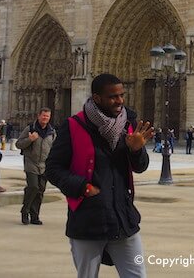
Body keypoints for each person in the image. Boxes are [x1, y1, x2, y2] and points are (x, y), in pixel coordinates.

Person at [46, 73, 153, 278]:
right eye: (113, 96)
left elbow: (140, 167)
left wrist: (136, 150)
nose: (120, 101)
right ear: (97, 98)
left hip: (123, 219)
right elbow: (52, 168)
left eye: (121, 95)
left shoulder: (128, 125)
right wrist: (82, 187)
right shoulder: (74, 126)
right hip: (88, 219)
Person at [16, 107, 56, 225]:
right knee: (33, 187)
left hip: (44, 165)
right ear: (38, 116)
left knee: (40, 191)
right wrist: (30, 139)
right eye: (43, 115)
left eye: (47, 116)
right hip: (31, 163)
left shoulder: (52, 132)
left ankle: (35, 216)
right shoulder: (30, 129)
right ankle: (25, 210)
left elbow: (55, 148)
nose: (45, 118)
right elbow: (18, 144)